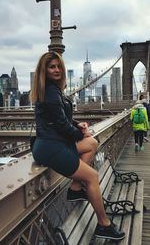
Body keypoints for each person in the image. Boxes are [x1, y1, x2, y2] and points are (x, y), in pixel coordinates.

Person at [30, 51, 125, 241]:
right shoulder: (50, 92)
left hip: (53, 143)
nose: (56, 70)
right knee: (92, 176)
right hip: (50, 147)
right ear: (44, 70)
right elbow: (61, 125)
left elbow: (63, 119)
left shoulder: (54, 90)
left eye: (58, 66)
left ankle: (74, 188)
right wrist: (79, 132)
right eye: (52, 67)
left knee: (91, 143)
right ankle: (103, 224)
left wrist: (78, 125)